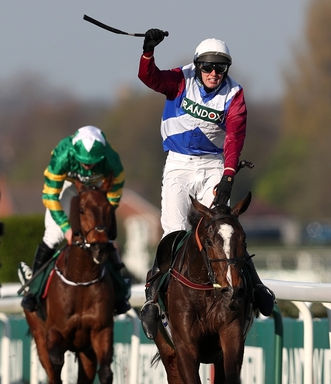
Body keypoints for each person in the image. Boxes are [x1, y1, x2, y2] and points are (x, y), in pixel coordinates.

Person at [136, 29, 276, 337]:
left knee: (223, 226)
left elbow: (235, 136)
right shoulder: (181, 78)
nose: (213, 73)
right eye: (208, 67)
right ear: (198, 66)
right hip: (178, 165)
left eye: (220, 68)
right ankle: (153, 301)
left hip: (213, 164)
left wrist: (228, 175)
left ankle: (256, 285)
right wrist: (148, 51)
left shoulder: (234, 95)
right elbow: (150, 78)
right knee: (173, 232)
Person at [19, 125, 130, 314]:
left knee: (104, 237)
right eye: (83, 162)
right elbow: (50, 197)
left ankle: (119, 289)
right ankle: (33, 288)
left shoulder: (112, 160)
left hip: (97, 189)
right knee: (54, 236)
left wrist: (105, 216)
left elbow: (115, 192)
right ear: (74, 153)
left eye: (92, 162)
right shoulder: (63, 155)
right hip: (68, 187)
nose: (87, 166)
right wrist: (66, 228)